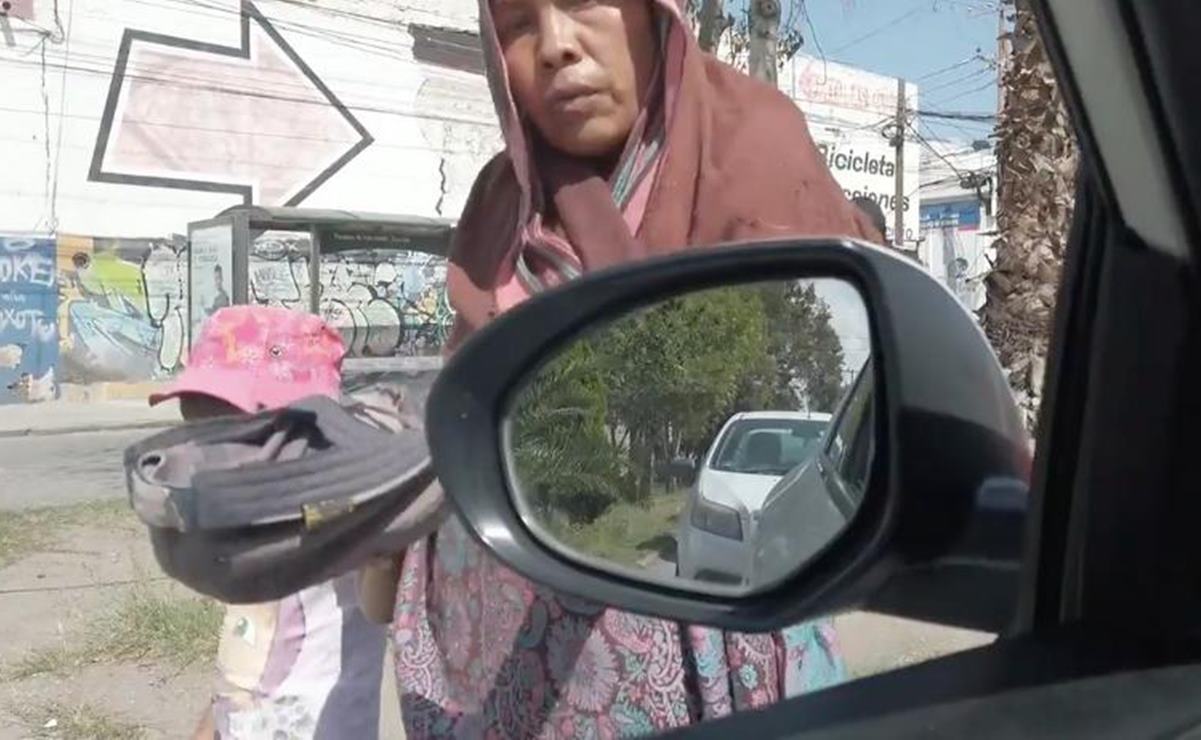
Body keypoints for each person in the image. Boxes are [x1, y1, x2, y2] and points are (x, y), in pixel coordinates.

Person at [380, 1, 881, 736]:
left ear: (654, 15)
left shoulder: (753, 149)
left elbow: (836, 368)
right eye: (517, 24)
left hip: (704, 634)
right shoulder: (498, 200)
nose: (554, 47)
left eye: (584, 2)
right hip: (490, 643)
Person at [148, 305, 387, 740]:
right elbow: (246, 671)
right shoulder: (247, 526)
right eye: (199, 434)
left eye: (233, 438)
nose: (207, 458)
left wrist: (383, 542)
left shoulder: (343, 511)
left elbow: (380, 604)